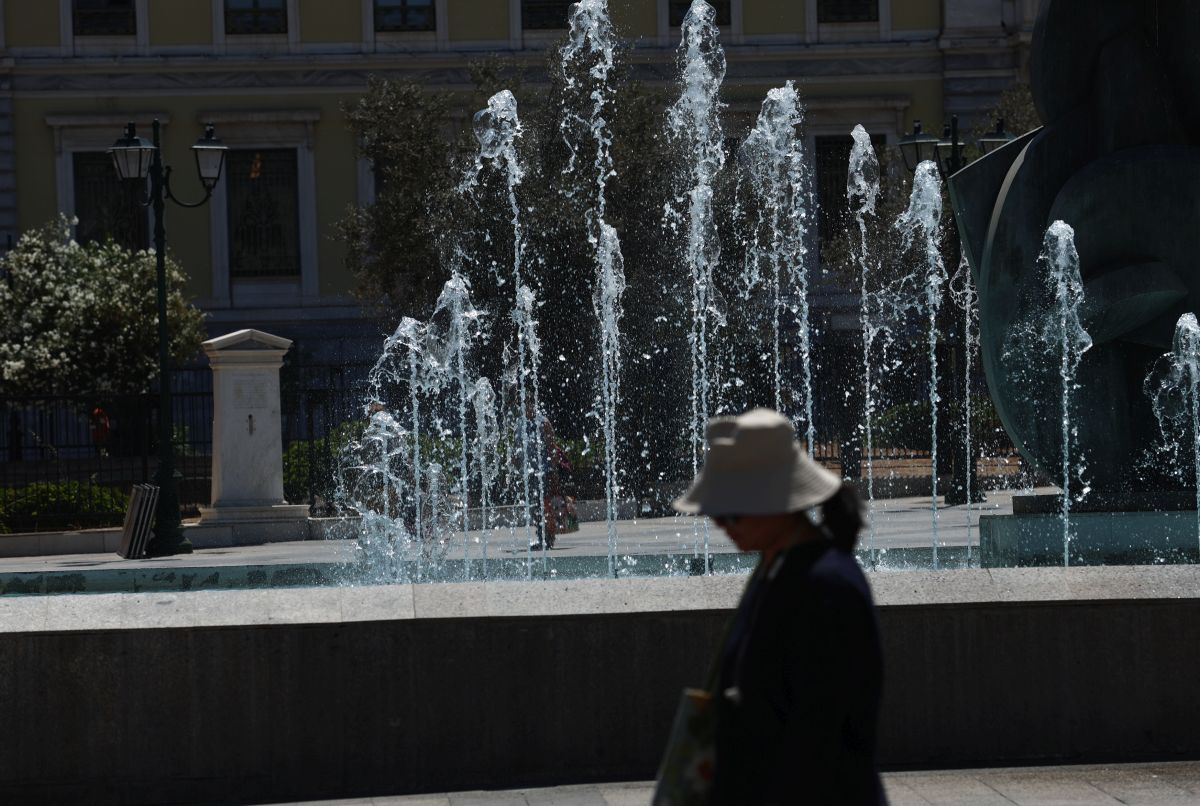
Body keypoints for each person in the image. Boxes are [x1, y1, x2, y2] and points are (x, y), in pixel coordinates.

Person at [672, 408, 887, 805]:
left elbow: (816, 739)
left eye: (731, 511)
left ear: (775, 502)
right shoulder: (775, 569)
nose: (720, 524)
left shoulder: (826, 586)